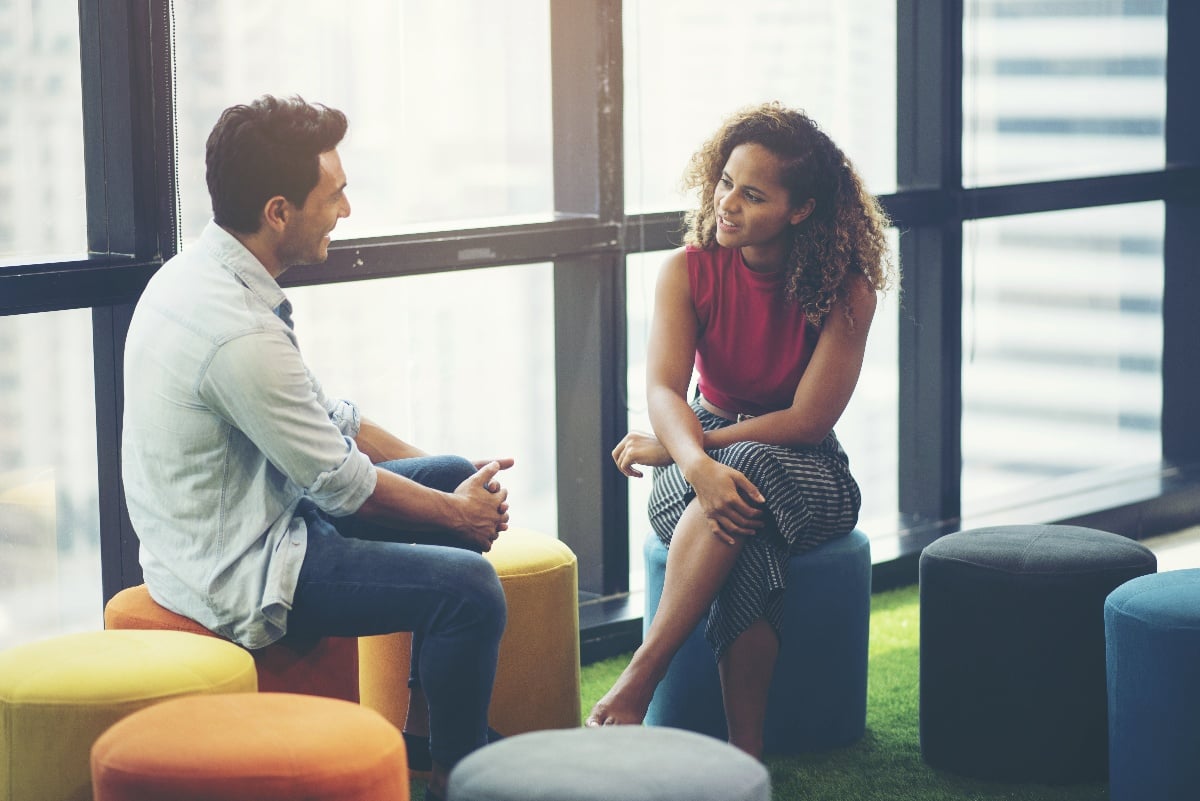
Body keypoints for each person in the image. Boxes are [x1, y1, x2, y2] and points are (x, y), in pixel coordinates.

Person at [121, 95, 510, 801]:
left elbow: (332, 420)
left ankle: (427, 730)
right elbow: (340, 484)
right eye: (335, 195)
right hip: (238, 562)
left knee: (448, 473)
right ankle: (461, 780)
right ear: (278, 211)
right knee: (471, 591)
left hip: (256, 507)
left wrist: (451, 487)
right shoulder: (235, 330)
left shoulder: (209, 275)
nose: (347, 211)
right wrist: (457, 518)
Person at [585, 101, 894, 758]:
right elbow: (665, 390)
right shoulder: (687, 269)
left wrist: (689, 449)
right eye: (726, 181)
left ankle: (641, 674)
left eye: (753, 195)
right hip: (700, 457)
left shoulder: (847, 289)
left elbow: (810, 420)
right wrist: (691, 461)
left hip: (805, 463)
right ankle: (746, 752)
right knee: (746, 528)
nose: (727, 203)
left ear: (800, 209)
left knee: (749, 479)